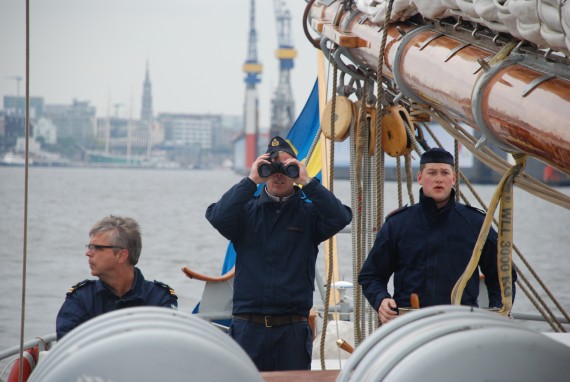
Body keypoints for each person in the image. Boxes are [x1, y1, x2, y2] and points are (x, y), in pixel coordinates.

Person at [206, 136, 352, 371]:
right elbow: (217, 217)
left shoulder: (309, 215)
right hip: (248, 329)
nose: (278, 173)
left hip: (292, 330)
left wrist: (308, 182)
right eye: (272, 167)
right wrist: (250, 180)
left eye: (287, 168)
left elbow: (340, 217)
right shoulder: (245, 213)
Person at [358, 147, 516, 325]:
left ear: (453, 179)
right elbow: (371, 276)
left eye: (444, 173)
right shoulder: (398, 224)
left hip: (462, 325)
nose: (439, 178)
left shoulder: (476, 224)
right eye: (432, 173)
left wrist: (496, 315)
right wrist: (381, 300)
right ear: (420, 178)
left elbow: (503, 277)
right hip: (407, 324)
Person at [56, 215, 178, 339]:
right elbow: (67, 344)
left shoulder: (160, 299)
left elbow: (166, 346)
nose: (88, 253)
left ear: (121, 255)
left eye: (96, 247)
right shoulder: (81, 298)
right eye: (89, 247)